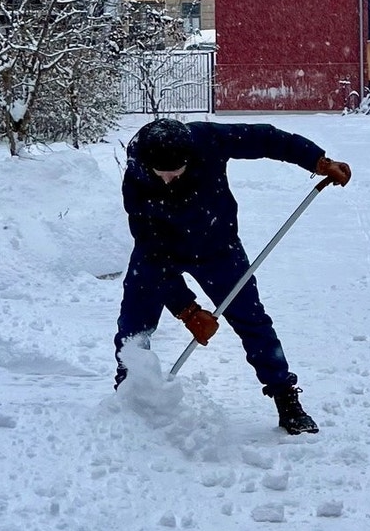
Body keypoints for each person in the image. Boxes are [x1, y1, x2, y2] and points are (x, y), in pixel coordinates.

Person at [116, 117, 352, 434]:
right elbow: (150, 248)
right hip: (159, 253)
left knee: (252, 321)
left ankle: (286, 398)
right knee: (133, 326)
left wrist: (316, 159)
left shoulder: (207, 139)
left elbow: (265, 138)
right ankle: (129, 393)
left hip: (217, 248)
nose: (171, 179)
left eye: (178, 171)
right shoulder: (136, 178)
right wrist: (186, 309)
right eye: (163, 173)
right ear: (148, 164)